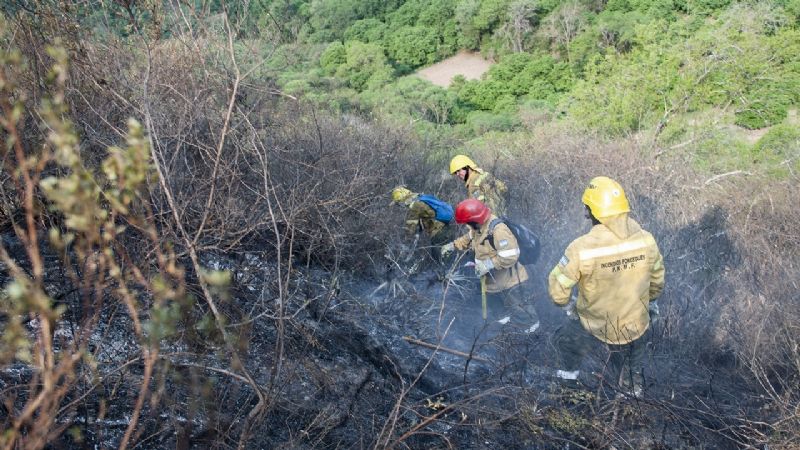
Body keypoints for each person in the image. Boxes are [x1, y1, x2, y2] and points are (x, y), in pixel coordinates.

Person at [547, 176, 665, 397]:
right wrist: (647, 303)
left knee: (566, 343)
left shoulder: (581, 248)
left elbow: (557, 291)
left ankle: (567, 387)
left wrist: (568, 304)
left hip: (595, 324)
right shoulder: (646, 240)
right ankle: (629, 402)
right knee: (632, 369)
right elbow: (657, 282)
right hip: (634, 326)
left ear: (590, 211)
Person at [441, 199, 539, 333]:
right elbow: (468, 239)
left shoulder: (498, 230)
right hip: (492, 283)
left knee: (521, 311)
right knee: (500, 312)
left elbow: (510, 256)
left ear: (474, 219)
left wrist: (488, 264)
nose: (467, 226)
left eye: (467, 223)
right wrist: (453, 246)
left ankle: (531, 334)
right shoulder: (478, 227)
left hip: (511, 283)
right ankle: (506, 333)